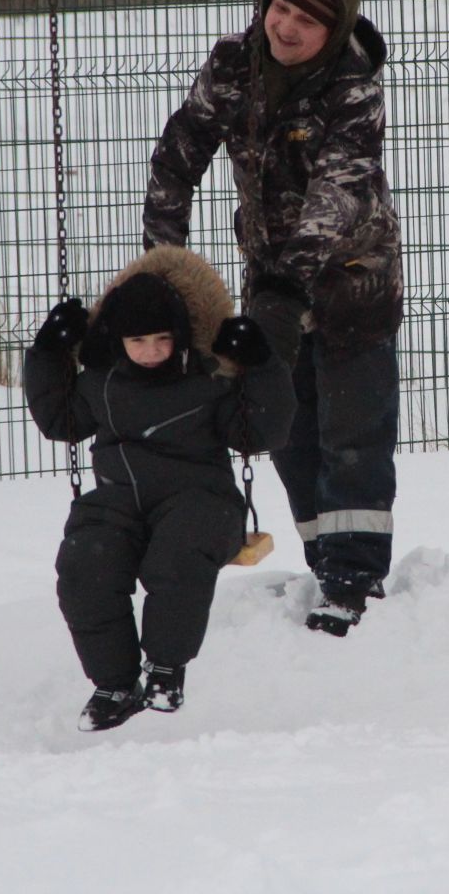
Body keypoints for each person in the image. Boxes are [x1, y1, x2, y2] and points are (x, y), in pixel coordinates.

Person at [143, 0, 402, 637]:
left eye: (306, 20)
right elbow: (178, 155)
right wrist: (164, 267)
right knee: (289, 433)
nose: (286, 27)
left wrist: (288, 288)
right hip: (271, 283)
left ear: (334, 32)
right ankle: (325, 561)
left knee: (352, 434)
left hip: (352, 286)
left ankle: (354, 577)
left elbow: (337, 192)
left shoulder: (354, 88)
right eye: (280, 7)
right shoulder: (235, 64)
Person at [23, 245, 298, 731]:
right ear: (118, 338)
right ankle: (113, 682)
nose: (150, 352)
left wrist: (262, 366)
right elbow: (60, 420)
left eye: (161, 339)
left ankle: (166, 669)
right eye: (138, 340)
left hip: (202, 502)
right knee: (85, 563)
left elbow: (259, 433)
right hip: (118, 502)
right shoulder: (103, 382)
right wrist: (47, 354)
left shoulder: (208, 378)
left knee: (178, 555)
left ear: (180, 334)